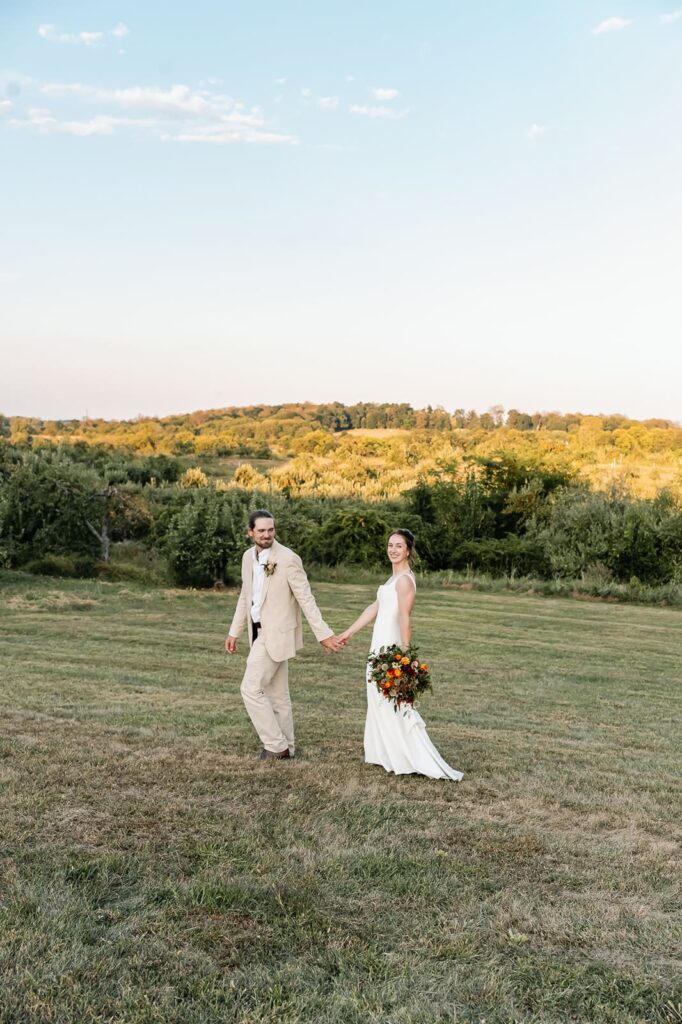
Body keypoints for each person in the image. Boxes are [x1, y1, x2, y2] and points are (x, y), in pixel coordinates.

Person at [339, 529, 463, 781]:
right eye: (390, 545)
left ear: (408, 550)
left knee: (390, 699)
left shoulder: (405, 580)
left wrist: (405, 654)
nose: (393, 549)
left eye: (399, 546)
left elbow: (405, 616)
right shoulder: (391, 579)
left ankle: (408, 756)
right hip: (378, 644)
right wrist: (349, 632)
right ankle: (385, 752)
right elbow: (376, 607)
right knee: (377, 697)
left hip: (391, 646)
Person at [226, 510, 343, 760]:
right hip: (256, 632)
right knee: (278, 695)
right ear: (250, 533)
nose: (267, 535)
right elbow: (246, 595)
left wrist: (323, 633)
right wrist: (234, 631)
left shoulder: (288, 558)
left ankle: (275, 746)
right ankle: (287, 746)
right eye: (261, 531)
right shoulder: (248, 557)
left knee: (250, 688)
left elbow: (305, 598)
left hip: (277, 632)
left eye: (271, 530)